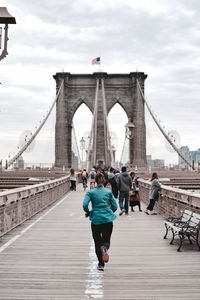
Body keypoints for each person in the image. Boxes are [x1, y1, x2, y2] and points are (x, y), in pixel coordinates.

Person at [82, 172, 118, 272]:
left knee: (97, 242)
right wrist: (109, 212)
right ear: (104, 181)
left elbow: (85, 205)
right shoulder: (108, 192)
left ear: (95, 181)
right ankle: (105, 248)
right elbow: (115, 206)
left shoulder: (91, 192)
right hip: (107, 220)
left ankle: (101, 264)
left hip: (96, 220)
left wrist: (88, 212)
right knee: (106, 241)